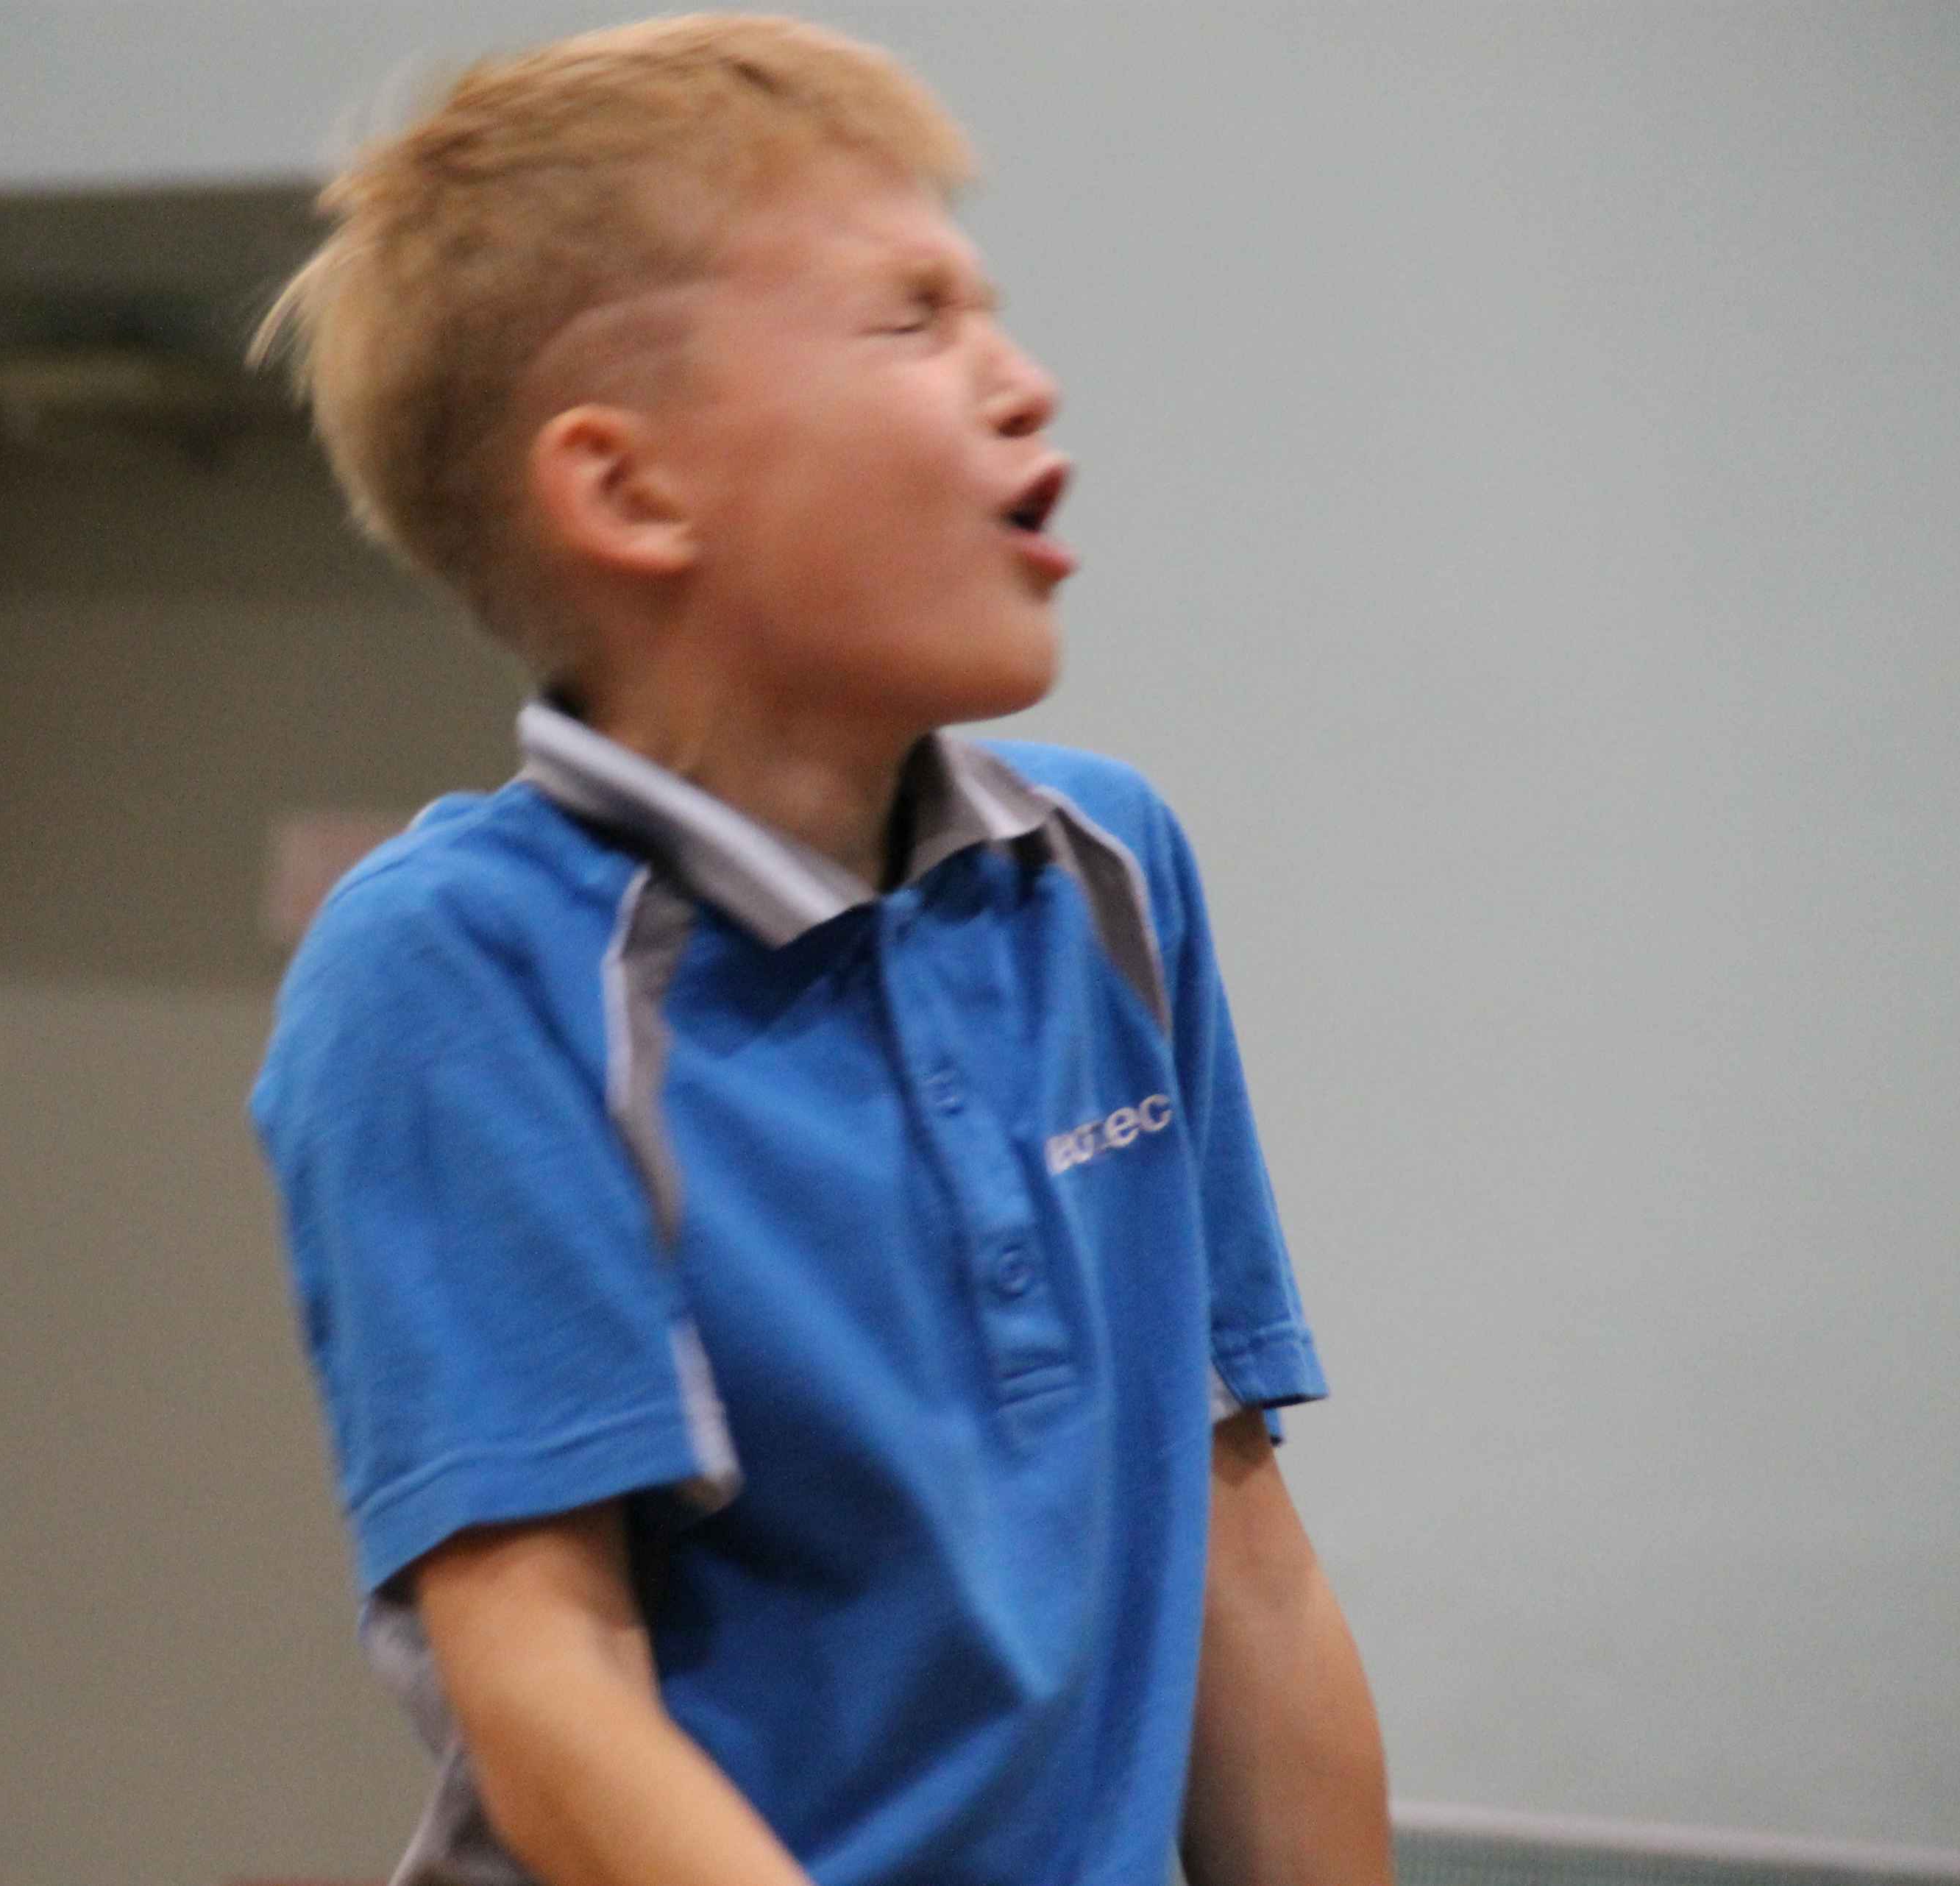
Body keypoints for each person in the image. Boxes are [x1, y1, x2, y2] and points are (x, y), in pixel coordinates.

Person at [249, 15, 1391, 1886]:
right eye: (909, 319)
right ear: (629, 490)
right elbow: (549, 1681)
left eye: (989, 307)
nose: (1020, 379)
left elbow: (1239, 1560)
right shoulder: (455, 964)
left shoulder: (1108, 873)